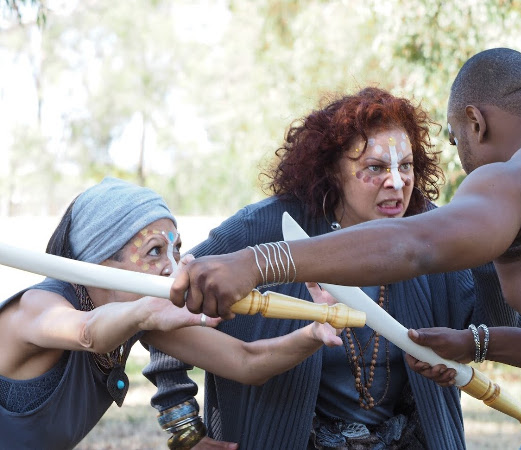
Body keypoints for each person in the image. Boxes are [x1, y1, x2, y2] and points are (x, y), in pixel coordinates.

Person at [171, 49, 521, 450]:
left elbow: (415, 250)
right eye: (375, 167)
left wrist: (264, 262)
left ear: (476, 123)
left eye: (406, 166)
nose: (396, 182)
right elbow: (161, 304)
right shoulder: (262, 225)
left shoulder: (454, 216)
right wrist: (181, 422)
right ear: (331, 171)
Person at [0, 177, 342, 450]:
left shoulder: (136, 315)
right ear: (99, 260)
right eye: (155, 251)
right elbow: (88, 332)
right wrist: (146, 313)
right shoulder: (38, 306)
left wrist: (313, 333)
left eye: (176, 250)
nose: (173, 268)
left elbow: (246, 362)